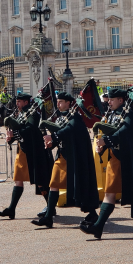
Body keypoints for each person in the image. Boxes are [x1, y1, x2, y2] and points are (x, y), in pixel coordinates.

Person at [80, 88, 133, 239]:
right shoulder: (112, 114)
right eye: (109, 99)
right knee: (109, 192)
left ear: (121, 100)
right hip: (117, 157)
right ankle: (98, 227)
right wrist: (103, 144)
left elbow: (125, 130)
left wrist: (107, 141)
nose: (109, 102)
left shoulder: (131, 114)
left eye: (112, 99)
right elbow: (110, 130)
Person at [32, 92, 99, 228]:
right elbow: (60, 134)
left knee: (80, 184)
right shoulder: (60, 117)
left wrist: (55, 136)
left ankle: (92, 213)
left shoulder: (75, 116)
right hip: (62, 155)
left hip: (74, 157)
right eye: (58, 101)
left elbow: (70, 129)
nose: (58, 104)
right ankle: (49, 217)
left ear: (69, 103)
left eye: (61, 101)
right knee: (54, 184)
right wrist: (52, 142)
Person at [0, 93, 53, 220]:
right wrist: (10, 137)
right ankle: (11, 209)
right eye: (17, 101)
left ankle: (50, 207)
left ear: (26, 102)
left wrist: (15, 133)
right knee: (18, 179)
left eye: (20, 101)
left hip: (33, 152)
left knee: (39, 180)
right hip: (22, 150)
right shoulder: (21, 114)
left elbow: (30, 129)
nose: (17, 104)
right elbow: (19, 129)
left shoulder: (33, 114)